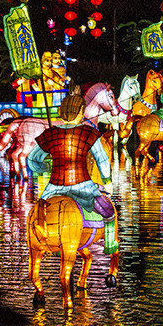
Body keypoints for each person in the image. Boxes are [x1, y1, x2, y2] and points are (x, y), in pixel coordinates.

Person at [27, 94, 118, 254]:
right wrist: (107, 181)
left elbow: (32, 160)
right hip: (83, 187)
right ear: (81, 111)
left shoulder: (51, 134)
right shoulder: (88, 133)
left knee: (39, 210)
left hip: (53, 189)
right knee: (109, 211)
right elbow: (102, 158)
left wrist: (45, 168)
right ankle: (110, 244)